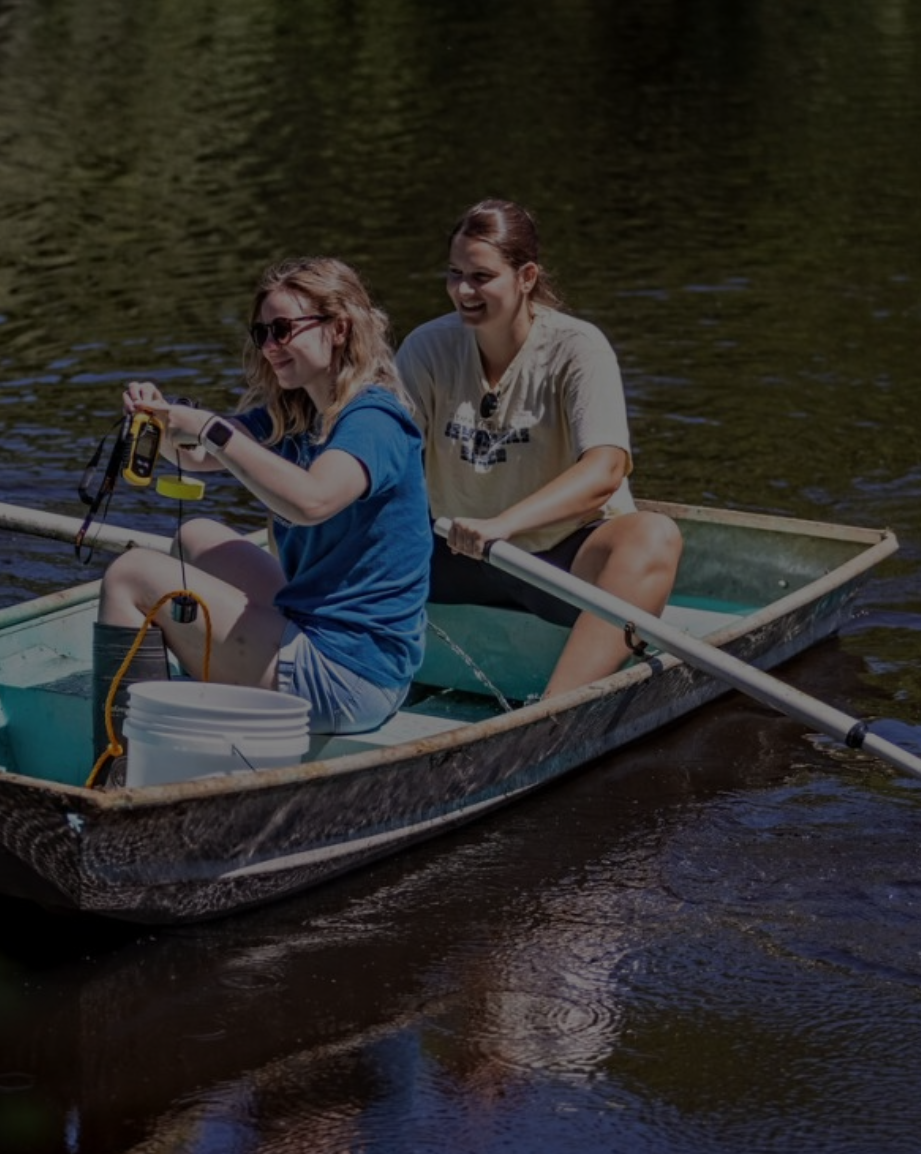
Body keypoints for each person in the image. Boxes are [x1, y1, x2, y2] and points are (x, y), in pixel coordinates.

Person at [95, 257, 431, 749]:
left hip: (351, 676)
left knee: (130, 576)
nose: (271, 346)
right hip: (331, 641)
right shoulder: (297, 413)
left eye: (283, 329)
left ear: (338, 329)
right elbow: (194, 457)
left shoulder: (374, 420)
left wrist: (210, 429)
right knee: (196, 537)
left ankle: (116, 767)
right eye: (262, 333)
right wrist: (161, 421)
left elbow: (312, 501)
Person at [397, 199, 683, 697]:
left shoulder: (578, 349)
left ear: (526, 276)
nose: (463, 291)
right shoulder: (426, 348)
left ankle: (552, 716)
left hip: (558, 562)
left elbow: (606, 470)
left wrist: (504, 525)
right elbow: (381, 451)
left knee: (654, 536)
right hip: (454, 553)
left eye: (481, 277)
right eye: (454, 273)